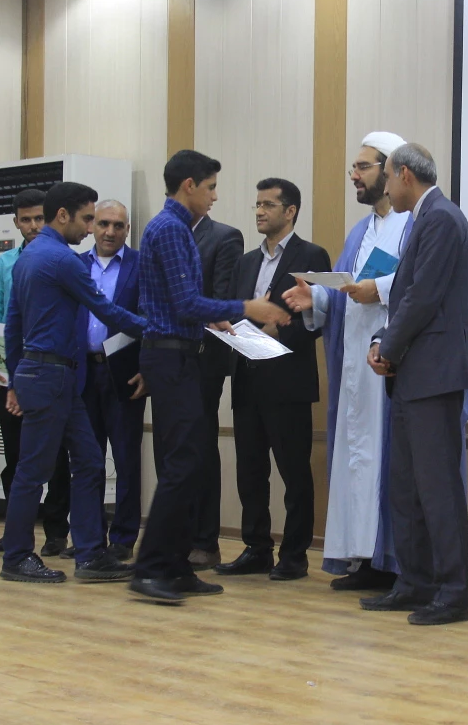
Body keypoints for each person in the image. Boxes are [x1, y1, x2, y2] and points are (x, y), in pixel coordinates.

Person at [129, 150, 290, 605]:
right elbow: (186, 303)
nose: (215, 196)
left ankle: (176, 567)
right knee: (183, 463)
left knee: (192, 460)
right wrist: (246, 307)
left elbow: (177, 302)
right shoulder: (171, 228)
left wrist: (214, 316)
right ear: (189, 186)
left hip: (175, 354)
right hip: (172, 357)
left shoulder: (170, 227)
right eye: (211, 187)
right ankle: (151, 567)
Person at [361, 143, 468, 626]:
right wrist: (383, 341)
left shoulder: (441, 219)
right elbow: (406, 297)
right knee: (407, 488)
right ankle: (414, 583)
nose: (386, 187)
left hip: (434, 375)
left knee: (437, 490)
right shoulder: (425, 219)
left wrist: (387, 348)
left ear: (405, 176)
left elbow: (423, 297)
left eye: (388, 178)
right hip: (415, 374)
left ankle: (453, 593)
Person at [1, 181, 148, 584]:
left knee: (88, 461)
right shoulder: (63, 260)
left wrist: (15, 377)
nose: (90, 229)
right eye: (86, 219)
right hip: (51, 375)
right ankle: (16, 556)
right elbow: (107, 310)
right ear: (63, 215)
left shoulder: (28, 256)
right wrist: (162, 329)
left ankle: (90, 555)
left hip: (49, 374)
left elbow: (13, 324)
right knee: (34, 470)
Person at [283, 131, 410, 592]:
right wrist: (316, 297)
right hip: (357, 368)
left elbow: (421, 284)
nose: (353, 175)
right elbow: (346, 293)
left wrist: (379, 288)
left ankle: (394, 562)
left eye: (362, 167)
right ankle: (365, 558)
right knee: (358, 460)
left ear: (391, 169)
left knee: (386, 459)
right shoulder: (360, 232)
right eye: (353, 167)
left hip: (391, 364)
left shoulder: (413, 224)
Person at [216, 178, 329, 581]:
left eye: (268, 205)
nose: (260, 211)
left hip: (287, 381)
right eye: (258, 205)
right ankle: (256, 548)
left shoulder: (311, 255)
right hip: (247, 376)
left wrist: (280, 333)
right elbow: (237, 308)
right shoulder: (246, 262)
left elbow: (318, 319)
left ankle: (294, 555)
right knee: (250, 471)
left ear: (290, 211)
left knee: (293, 472)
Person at [0, 188, 71, 557]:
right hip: (11, 369)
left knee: (56, 455)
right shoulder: (5, 263)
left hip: (51, 369)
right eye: (26, 219)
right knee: (15, 454)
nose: (32, 226)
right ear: (16, 222)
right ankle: (16, 531)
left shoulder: (62, 257)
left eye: (38, 218)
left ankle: (56, 532)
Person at [76, 199, 145, 561]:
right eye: (103, 223)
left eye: (118, 225)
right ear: (92, 226)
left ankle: (122, 538)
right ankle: (88, 537)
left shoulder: (140, 265)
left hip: (125, 372)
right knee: (86, 459)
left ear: (127, 229)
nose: (110, 231)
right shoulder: (76, 265)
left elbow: (150, 318)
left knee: (126, 458)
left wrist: (147, 368)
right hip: (83, 372)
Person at [187, 204, 243, 570]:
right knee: (173, 451)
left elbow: (221, 303)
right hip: (166, 357)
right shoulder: (165, 234)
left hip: (203, 358)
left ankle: (205, 541)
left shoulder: (224, 237)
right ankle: (178, 537)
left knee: (201, 448)